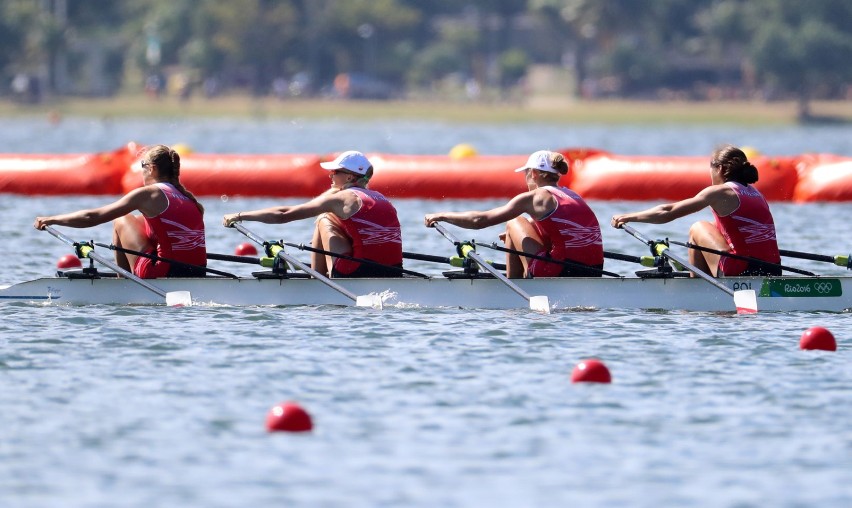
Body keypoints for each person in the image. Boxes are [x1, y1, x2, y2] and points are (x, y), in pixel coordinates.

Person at [424, 150, 604, 278]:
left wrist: (443, 216)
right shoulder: (573, 195)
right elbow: (563, 233)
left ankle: (514, 286)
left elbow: (480, 220)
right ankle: (519, 278)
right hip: (595, 270)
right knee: (521, 226)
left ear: (534, 174)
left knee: (514, 222)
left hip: (562, 272)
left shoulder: (536, 197)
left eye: (526, 173)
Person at [34, 144, 207, 278]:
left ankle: (123, 285)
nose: (141, 170)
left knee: (122, 220)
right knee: (140, 221)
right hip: (198, 273)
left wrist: (52, 219)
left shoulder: (149, 194)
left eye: (143, 165)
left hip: (163, 272)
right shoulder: (188, 199)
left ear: (152, 168)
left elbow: (92, 217)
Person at [222, 150, 403, 278]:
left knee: (324, 218)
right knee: (341, 223)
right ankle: (321, 275)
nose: (330, 176)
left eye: (335, 171)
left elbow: (284, 214)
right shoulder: (381, 198)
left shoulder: (342, 199)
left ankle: (317, 279)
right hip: (394, 271)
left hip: (358, 272)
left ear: (349, 177)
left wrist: (240, 215)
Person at [610, 144, 781, 277]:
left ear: (719, 169)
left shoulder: (720, 192)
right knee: (713, 227)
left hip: (742, 271)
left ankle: (697, 288)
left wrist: (628, 217)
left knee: (698, 227)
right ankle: (702, 278)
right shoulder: (756, 193)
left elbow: (668, 211)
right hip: (773, 269)